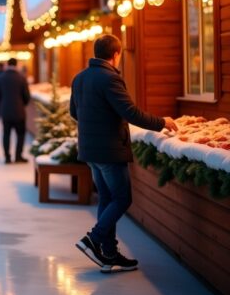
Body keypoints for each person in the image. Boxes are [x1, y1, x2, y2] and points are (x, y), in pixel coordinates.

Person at [71, 34, 177, 273]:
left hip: (90, 151)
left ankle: (109, 254)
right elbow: (130, 113)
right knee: (122, 198)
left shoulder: (79, 78)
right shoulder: (110, 79)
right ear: (116, 55)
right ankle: (94, 239)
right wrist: (162, 121)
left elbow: (74, 112)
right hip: (109, 151)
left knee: (107, 199)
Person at [0, 58, 30, 164]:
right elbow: (26, 96)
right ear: (16, 65)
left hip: (5, 111)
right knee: (21, 134)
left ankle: (7, 157)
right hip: (19, 111)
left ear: (7, 65)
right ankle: (18, 155)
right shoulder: (22, 78)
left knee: (6, 134)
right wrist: (22, 104)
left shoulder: (0, 78)